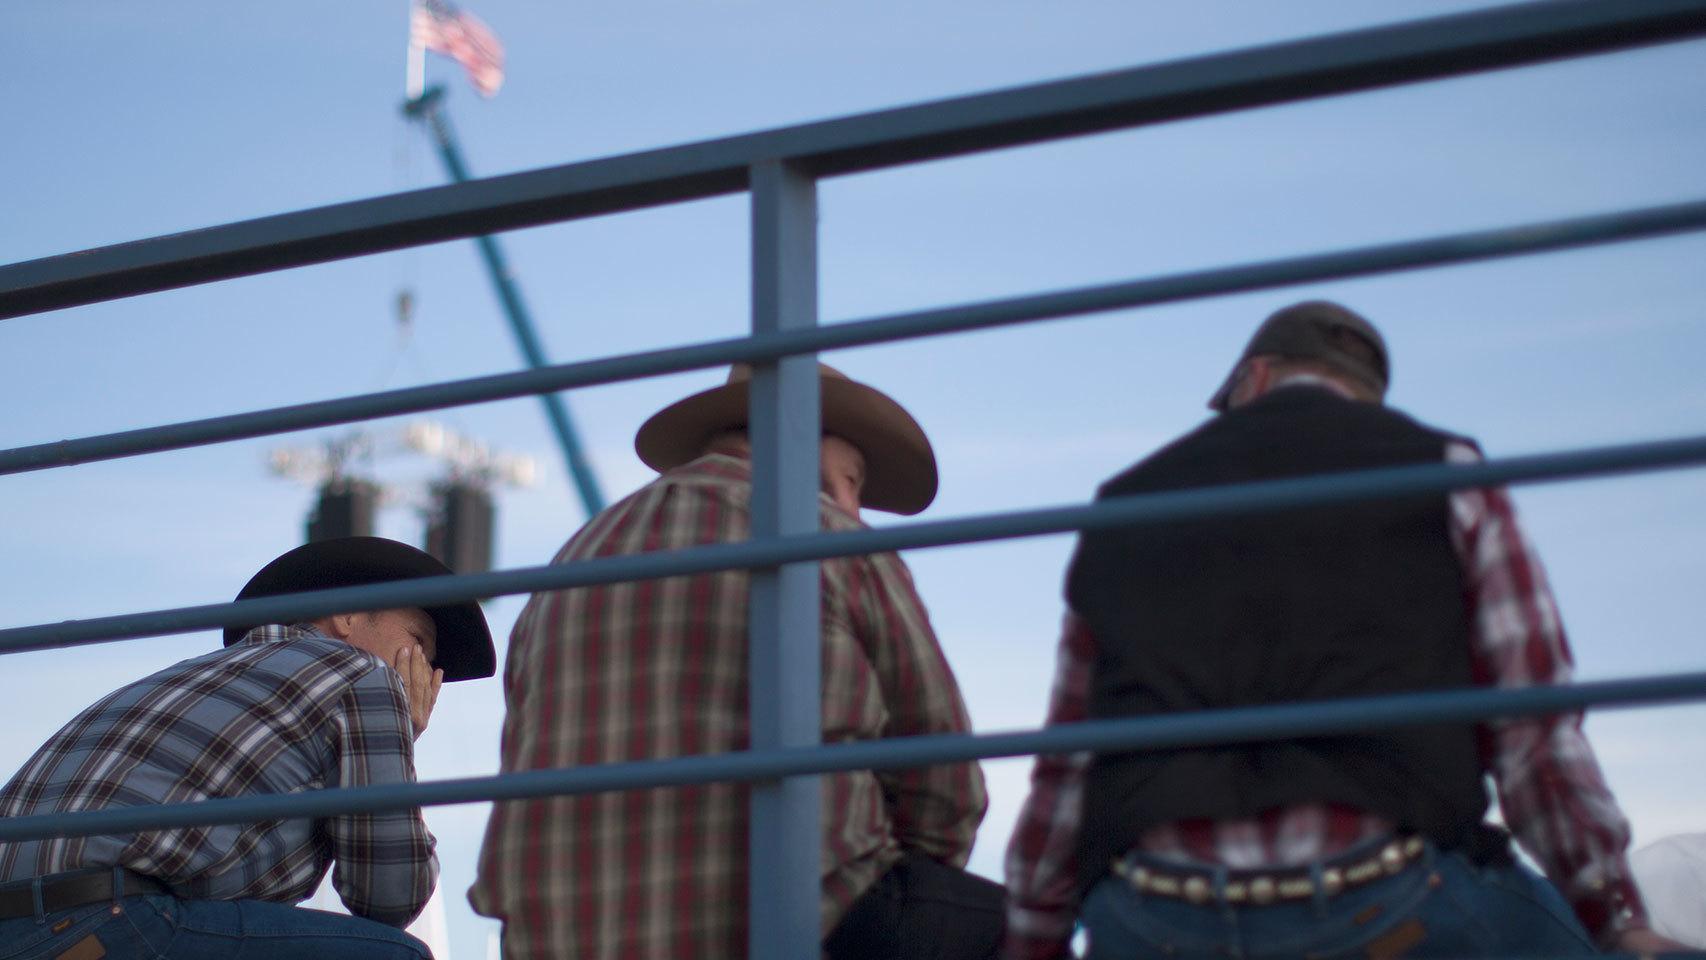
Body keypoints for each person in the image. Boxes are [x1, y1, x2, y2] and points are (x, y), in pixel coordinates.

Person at [1002, 301, 1687, 959]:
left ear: (1256, 377)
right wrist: (1614, 915)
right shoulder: (1444, 471)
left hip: (1153, 916)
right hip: (1378, 905)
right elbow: (1534, 736)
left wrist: (1035, 941)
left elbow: (1069, 766)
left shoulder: (1125, 506)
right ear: (1365, 398)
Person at [470, 363, 1003, 959]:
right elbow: (947, 789)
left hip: (563, 940)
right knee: (1027, 928)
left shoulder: (570, 563)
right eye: (852, 478)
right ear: (801, 436)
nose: (856, 506)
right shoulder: (830, 538)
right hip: (787, 931)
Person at [0, 536, 496, 960]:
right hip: (108, 923)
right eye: (420, 642)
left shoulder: (196, 676)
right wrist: (400, 738)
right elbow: (390, 895)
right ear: (347, 614)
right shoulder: (363, 674)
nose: (428, 675)